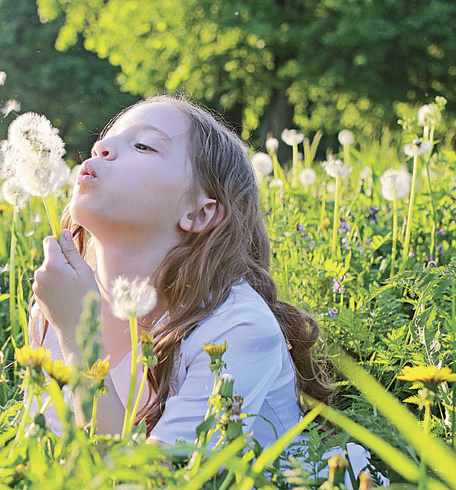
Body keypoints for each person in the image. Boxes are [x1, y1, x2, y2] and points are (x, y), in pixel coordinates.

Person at [25, 93, 388, 486]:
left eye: (143, 145)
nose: (102, 147)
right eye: (104, 141)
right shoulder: (60, 300)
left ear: (200, 212)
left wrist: (80, 338)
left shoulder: (237, 329)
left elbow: (146, 481)